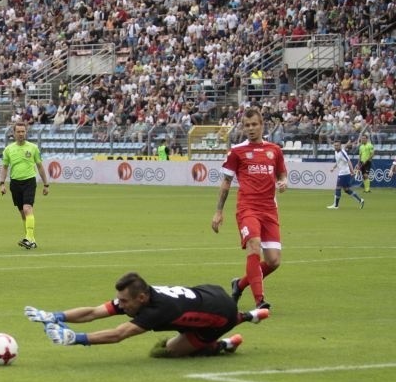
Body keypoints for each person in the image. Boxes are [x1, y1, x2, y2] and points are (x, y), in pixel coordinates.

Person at [24, 271, 269, 357]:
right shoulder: (138, 298)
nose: (121, 305)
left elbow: (118, 334)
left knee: (170, 351)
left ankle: (225, 343)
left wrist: (76, 338)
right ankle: (250, 315)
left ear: (141, 298)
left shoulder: (158, 309)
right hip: (209, 293)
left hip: (219, 315)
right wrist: (54, 316)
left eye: (124, 301)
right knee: (187, 324)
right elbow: (93, 312)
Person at [211, 108, 287, 310]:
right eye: (247, 125)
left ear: (262, 125)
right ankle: (260, 301)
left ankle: (240, 284)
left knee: (273, 261)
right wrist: (218, 211)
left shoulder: (275, 150)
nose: (251, 128)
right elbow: (226, 183)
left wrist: (283, 183)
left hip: (270, 209)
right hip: (247, 208)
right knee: (254, 245)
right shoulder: (237, 151)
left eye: (254, 124)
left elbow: (282, 175)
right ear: (243, 127)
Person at [0, 122, 49, 249]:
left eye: (23, 131)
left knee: (27, 209)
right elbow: (4, 167)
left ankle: (28, 239)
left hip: (29, 181)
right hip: (15, 183)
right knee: (23, 213)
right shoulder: (8, 150)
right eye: (18, 132)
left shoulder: (33, 148)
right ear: (14, 133)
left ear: (26, 132)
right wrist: (1, 183)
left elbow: (40, 166)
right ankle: (31, 239)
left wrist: (46, 184)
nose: (21, 134)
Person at [327, 140, 364, 209]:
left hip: (344, 173)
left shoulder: (342, 153)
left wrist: (352, 171)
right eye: (335, 145)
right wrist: (334, 168)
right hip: (343, 172)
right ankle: (360, 200)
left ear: (340, 146)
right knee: (346, 190)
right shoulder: (336, 152)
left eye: (337, 145)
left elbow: (349, 161)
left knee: (338, 188)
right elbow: (338, 162)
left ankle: (336, 205)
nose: (336, 146)